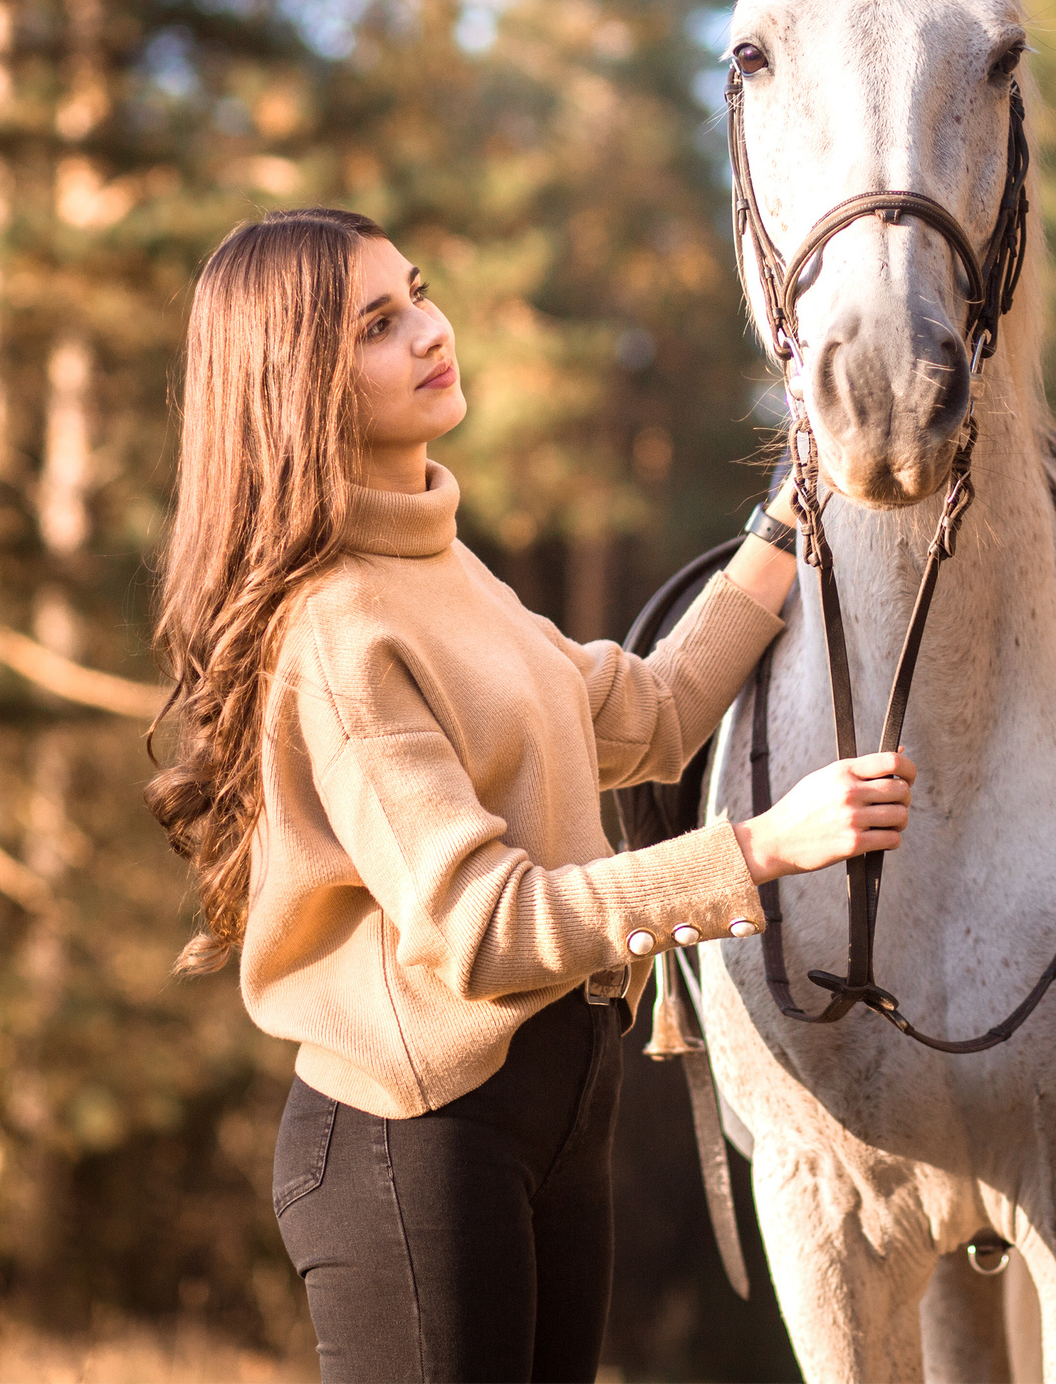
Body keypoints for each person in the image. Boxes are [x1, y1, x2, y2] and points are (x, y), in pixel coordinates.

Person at [147, 207, 913, 1383]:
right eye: (377, 325)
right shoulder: (341, 627)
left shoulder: (442, 565)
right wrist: (758, 848)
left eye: (417, 293)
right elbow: (486, 928)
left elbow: (648, 716)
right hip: (417, 1147)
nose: (429, 332)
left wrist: (787, 518)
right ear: (294, 381)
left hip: (558, 1108)